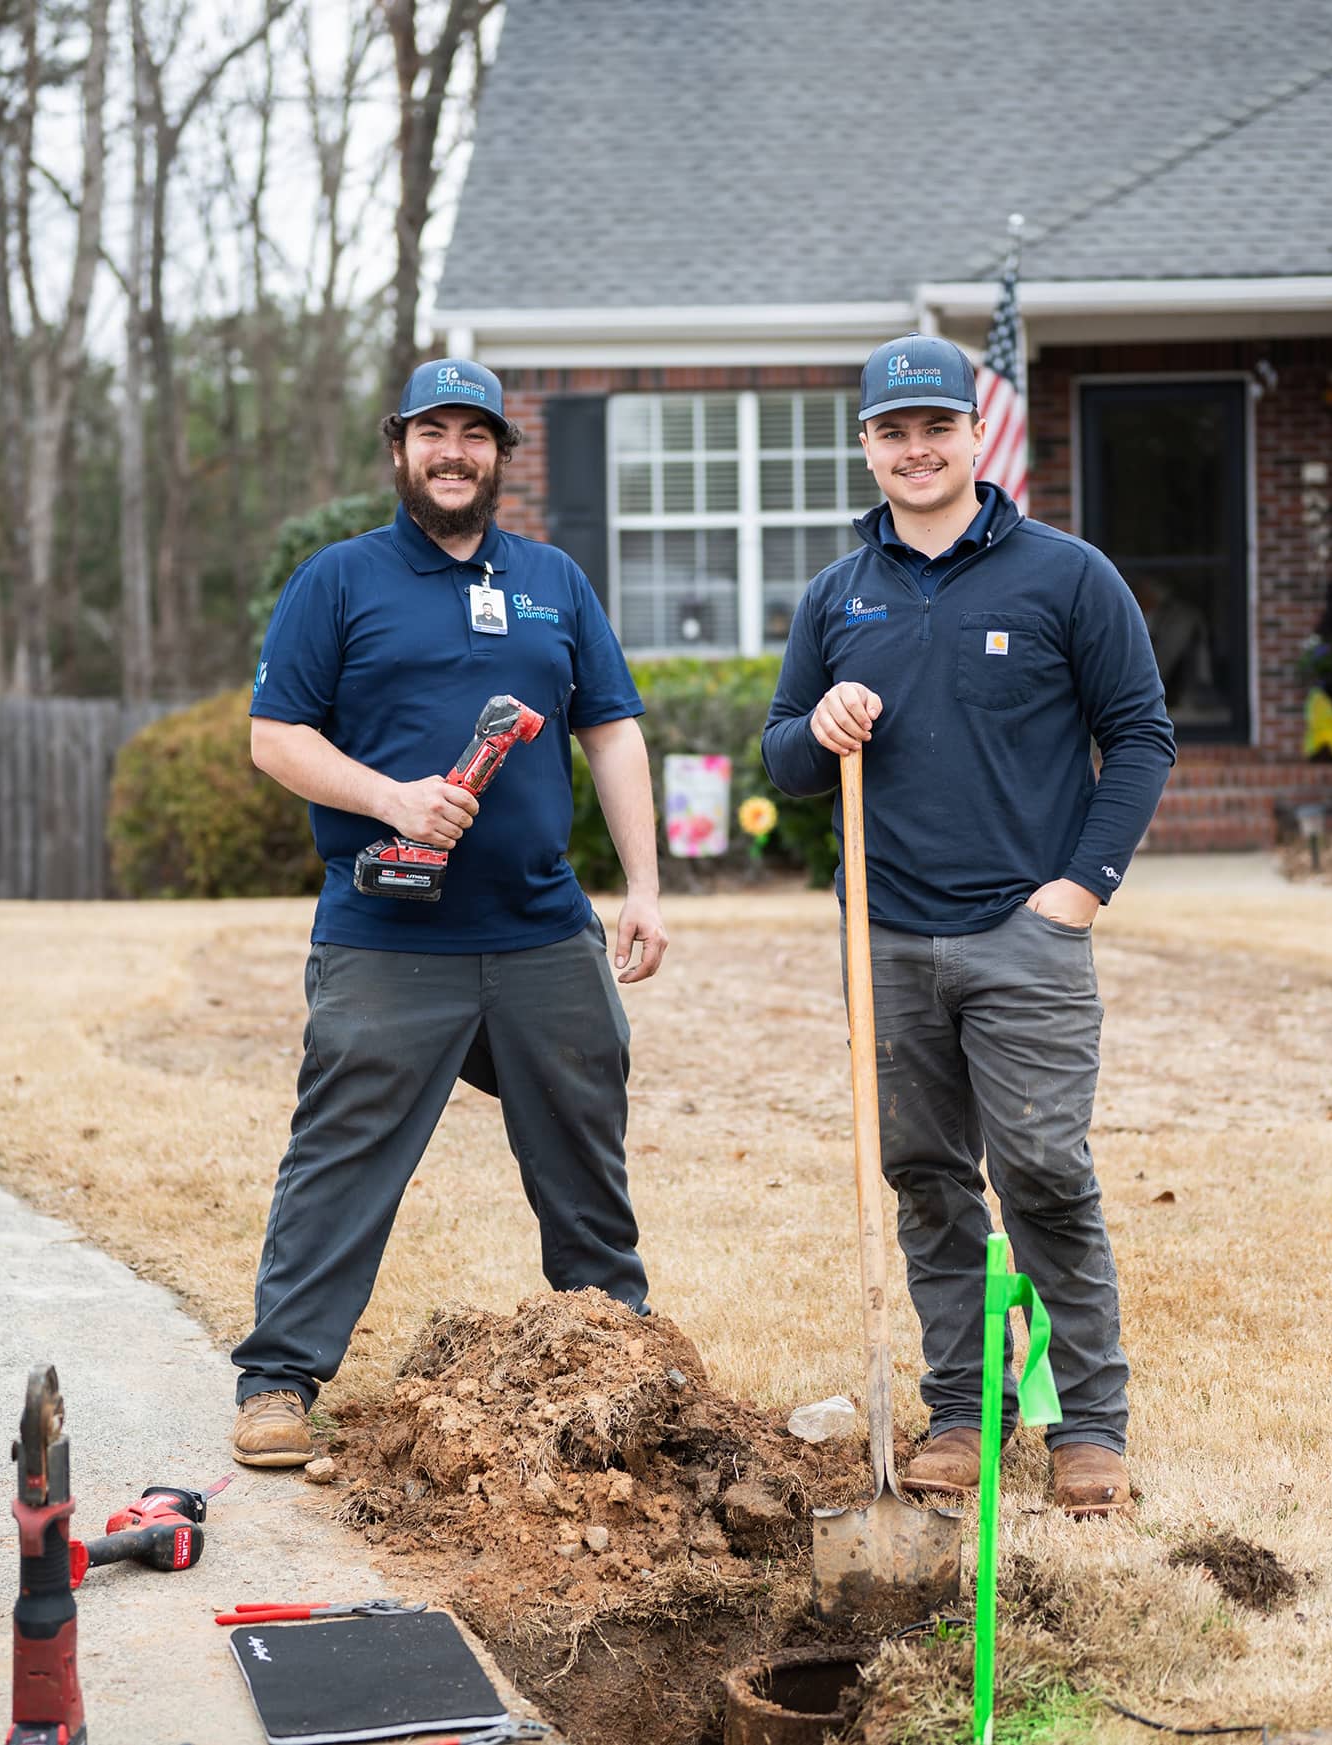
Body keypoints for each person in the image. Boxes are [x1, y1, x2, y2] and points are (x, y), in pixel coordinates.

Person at [761, 334, 1175, 1514]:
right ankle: (963, 1409)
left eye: (935, 426)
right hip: (883, 938)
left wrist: (1080, 888)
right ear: (866, 447)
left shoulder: (1067, 575)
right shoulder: (839, 596)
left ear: (974, 433)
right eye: (892, 431)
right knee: (929, 1177)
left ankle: (1087, 1424)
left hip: (1023, 933)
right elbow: (784, 754)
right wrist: (819, 723)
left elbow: (1140, 734)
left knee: (1043, 1169)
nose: (916, 447)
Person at [231, 358, 668, 1466]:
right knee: (341, 1154)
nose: (455, 452)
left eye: (477, 434)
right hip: (387, 935)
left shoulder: (555, 582)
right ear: (400, 448)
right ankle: (279, 1380)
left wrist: (645, 885)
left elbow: (610, 728)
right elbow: (275, 736)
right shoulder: (338, 580)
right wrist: (393, 798)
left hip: (539, 928)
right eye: (436, 432)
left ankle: (617, 1356)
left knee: (585, 1149)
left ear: (501, 458)